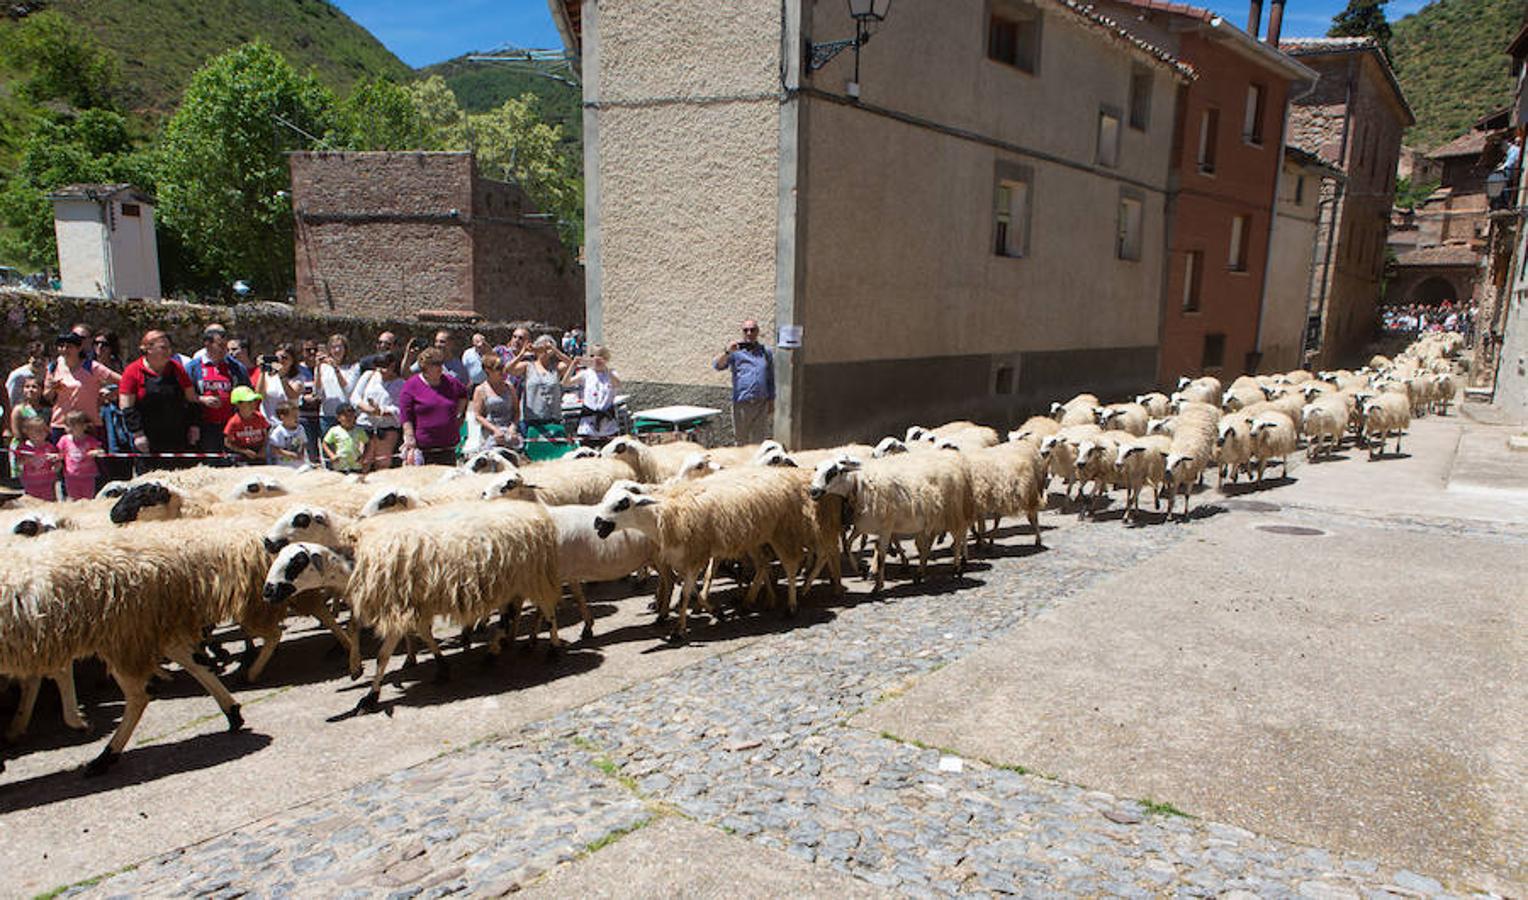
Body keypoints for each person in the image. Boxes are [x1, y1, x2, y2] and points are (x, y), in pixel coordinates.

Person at [118, 330, 202, 473]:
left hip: (177, 435)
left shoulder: (177, 369)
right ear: (148, 349)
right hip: (148, 437)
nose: (168, 352)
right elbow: (126, 406)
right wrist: (138, 434)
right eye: (163, 347)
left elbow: (192, 399)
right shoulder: (133, 371)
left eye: (169, 348)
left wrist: (194, 426)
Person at [186, 325, 251, 456]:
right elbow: (185, 397)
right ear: (207, 344)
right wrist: (202, 400)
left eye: (225, 346)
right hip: (204, 427)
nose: (224, 350)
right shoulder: (193, 368)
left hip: (231, 426)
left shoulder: (237, 368)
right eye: (220, 345)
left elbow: (247, 392)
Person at [44, 331, 119, 443]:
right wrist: (52, 388)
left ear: (79, 348)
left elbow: (124, 381)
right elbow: (47, 396)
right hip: (61, 424)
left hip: (88, 424)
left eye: (69, 347)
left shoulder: (92, 367)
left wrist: (112, 394)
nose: (64, 350)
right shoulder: (53, 367)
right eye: (61, 346)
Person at [400, 348, 469, 466]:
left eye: (441, 363)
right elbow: (406, 415)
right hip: (423, 449)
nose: (440, 367)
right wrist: (409, 437)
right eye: (435, 364)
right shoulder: (411, 385)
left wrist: (459, 415)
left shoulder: (451, 382)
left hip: (448, 447)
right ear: (425, 366)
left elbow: (464, 395)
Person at [712, 318, 774, 445]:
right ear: (742, 332)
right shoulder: (735, 352)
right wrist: (727, 352)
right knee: (741, 441)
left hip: (761, 404)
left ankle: (755, 465)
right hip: (742, 403)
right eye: (746, 330)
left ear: (758, 332)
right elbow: (717, 366)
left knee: (759, 442)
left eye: (753, 330)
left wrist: (772, 401)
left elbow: (771, 378)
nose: (749, 333)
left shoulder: (765, 352)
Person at [513, 335, 573, 445]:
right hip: (532, 419)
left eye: (548, 347)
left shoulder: (556, 367)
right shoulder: (527, 366)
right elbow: (509, 369)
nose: (545, 351)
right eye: (542, 347)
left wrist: (555, 350)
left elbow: (571, 365)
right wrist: (523, 353)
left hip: (553, 418)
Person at [563, 344, 621, 447]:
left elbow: (617, 384)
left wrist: (606, 369)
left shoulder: (612, 373)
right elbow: (565, 383)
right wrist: (573, 365)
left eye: (600, 356)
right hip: (588, 425)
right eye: (593, 356)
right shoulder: (586, 373)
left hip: (607, 424)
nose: (596, 359)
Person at [357, 351, 406, 469]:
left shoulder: (401, 384)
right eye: (378, 366)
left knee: (383, 463)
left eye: (384, 367)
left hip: (387, 428)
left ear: (392, 366)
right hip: (365, 424)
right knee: (363, 462)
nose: (380, 370)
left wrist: (382, 411)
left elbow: (401, 409)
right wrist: (366, 408)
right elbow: (355, 397)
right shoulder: (368, 376)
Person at [468, 353, 520, 453]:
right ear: (488, 370)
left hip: (509, 432)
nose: (502, 371)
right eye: (498, 368)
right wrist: (495, 430)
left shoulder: (509, 387)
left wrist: (513, 427)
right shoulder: (480, 390)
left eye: (503, 367)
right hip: (491, 434)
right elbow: (478, 416)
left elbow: (516, 411)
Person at [315, 333, 359, 440]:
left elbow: (348, 390)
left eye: (340, 346)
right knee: (328, 451)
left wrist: (336, 368)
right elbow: (317, 391)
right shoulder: (323, 367)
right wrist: (318, 368)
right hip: (326, 415)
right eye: (334, 347)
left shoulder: (353, 367)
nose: (337, 350)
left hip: (346, 416)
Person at [57, 410, 103, 500]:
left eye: (73, 425)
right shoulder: (64, 440)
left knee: (88, 498)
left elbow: (101, 451)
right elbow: (60, 454)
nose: (70, 428)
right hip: (71, 476)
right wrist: (57, 458)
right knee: (73, 498)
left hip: (88, 475)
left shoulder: (90, 440)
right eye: (68, 425)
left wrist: (96, 452)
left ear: (84, 426)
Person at [253, 342, 303, 424]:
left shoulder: (297, 379)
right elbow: (259, 394)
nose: (280, 360)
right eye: (277, 357)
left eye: (284, 358)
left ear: (292, 361)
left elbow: (292, 395)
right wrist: (262, 370)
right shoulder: (267, 376)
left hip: (288, 424)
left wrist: (281, 375)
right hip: (268, 422)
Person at [15, 414, 59, 501]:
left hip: (48, 482)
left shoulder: (50, 447)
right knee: (33, 504)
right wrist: (27, 460)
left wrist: (57, 465)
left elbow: (57, 461)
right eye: (37, 431)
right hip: (30, 483)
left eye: (44, 430)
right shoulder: (23, 448)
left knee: (49, 503)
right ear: (27, 432)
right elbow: (18, 463)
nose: (42, 433)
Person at [223, 385, 269, 464]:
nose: (253, 404)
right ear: (238, 404)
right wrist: (243, 451)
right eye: (249, 402)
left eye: (254, 401)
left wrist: (263, 449)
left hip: (259, 453)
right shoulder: (234, 422)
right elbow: (227, 442)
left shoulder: (260, 417)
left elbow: (266, 435)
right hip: (242, 456)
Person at [321, 402, 368, 473]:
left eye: (351, 416)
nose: (348, 418)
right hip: (340, 465)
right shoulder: (334, 430)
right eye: (345, 416)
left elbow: (368, 443)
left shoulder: (359, 430)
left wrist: (364, 456)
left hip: (356, 464)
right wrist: (332, 455)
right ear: (338, 418)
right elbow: (325, 443)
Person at [6, 340, 47, 408]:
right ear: (29, 358)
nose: (39, 361)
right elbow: (9, 400)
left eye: (42, 358)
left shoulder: (48, 375)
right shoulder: (18, 375)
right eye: (36, 358)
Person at [267, 402, 308, 468]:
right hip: (284, 465)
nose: (296, 418)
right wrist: (289, 454)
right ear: (282, 417)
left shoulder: (300, 429)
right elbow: (274, 449)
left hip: (299, 464)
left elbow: (303, 442)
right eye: (293, 416)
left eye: (297, 416)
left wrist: (302, 453)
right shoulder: (278, 431)